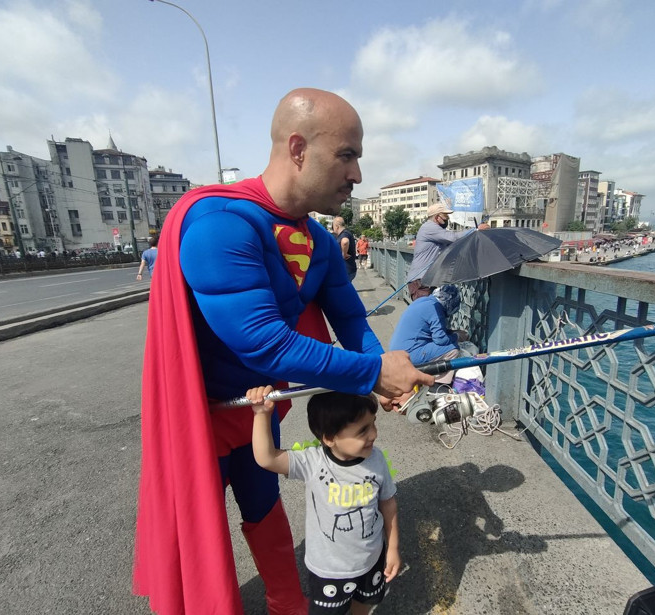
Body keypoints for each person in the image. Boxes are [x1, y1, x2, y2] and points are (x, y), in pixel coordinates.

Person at [132, 87, 434, 615]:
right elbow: (263, 341)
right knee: (195, 533)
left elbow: (350, 318)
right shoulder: (219, 224)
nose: (357, 174)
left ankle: (287, 604)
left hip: (257, 410)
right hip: (200, 417)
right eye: (347, 155)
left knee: (264, 507)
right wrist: (371, 373)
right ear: (298, 148)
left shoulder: (318, 239)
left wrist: (379, 375)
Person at [249, 386, 399, 615]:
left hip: (371, 559)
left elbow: (388, 503)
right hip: (329, 571)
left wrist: (393, 548)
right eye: (363, 430)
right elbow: (267, 458)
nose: (373, 435)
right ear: (329, 438)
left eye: (373, 424)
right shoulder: (313, 463)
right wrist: (261, 414)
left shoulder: (376, 459)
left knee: (365, 603)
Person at [404, 203, 489, 300]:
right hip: (420, 282)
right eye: (445, 216)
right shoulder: (429, 227)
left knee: (431, 307)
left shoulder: (436, 231)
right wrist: (476, 230)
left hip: (427, 280)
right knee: (426, 308)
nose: (448, 219)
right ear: (437, 217)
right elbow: (453, 237)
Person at [389, 284, 468, 385]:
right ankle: (438, 384)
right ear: (449, 303)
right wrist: (457, 336)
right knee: (452, 349)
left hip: (397, 351)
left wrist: (451, 332)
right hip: (408, 353)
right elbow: (440, 339)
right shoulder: (436, 309)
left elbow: (433, 331)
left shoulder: (423, 301)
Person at [332, 216, 356, 282]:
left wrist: (344, 254)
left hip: (346, 269)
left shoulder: (344, 233)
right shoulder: (347, 233)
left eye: (333, 227)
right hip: (349, 268)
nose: (333, 229)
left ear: (337, 226)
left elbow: (345, 241)